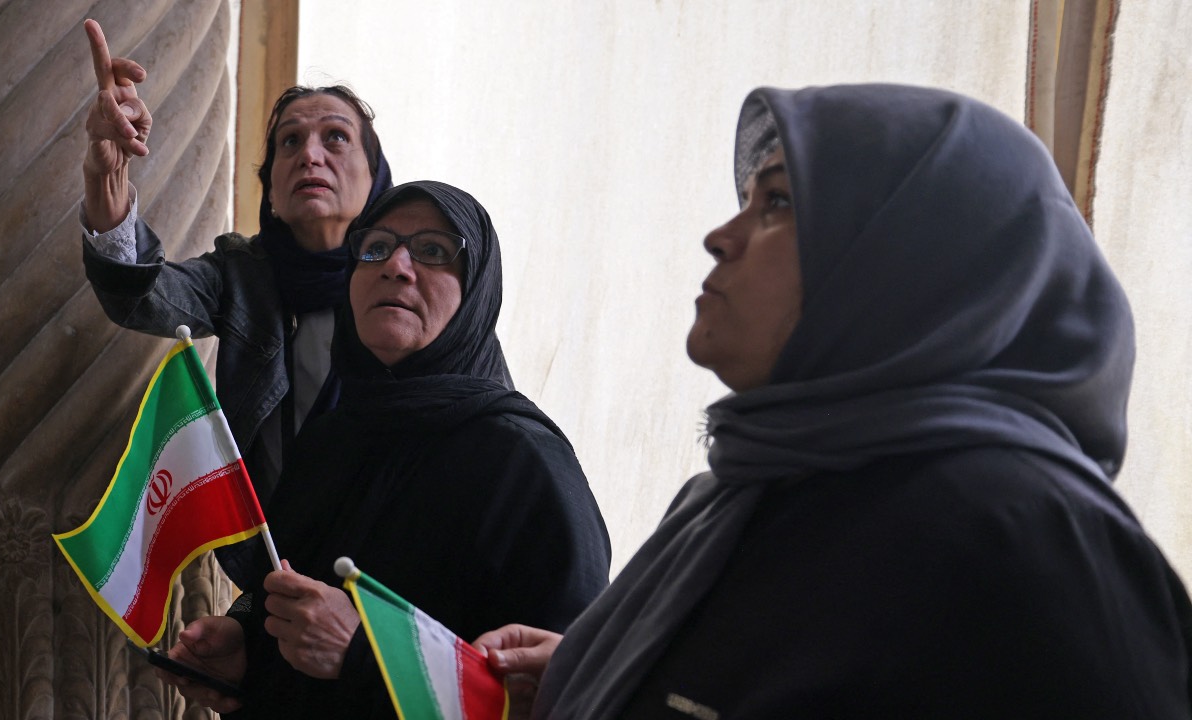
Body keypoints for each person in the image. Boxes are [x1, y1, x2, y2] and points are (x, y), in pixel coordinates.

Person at [476, 84, 1192, 718]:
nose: (719, 237)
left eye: (778, 203)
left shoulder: (1027, 540)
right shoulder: (736, 495)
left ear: (908, 266)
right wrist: (606, 673)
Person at [154, 180, 612, 717]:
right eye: (374, 248)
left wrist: (362, 658)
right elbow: (290, 595)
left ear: (477, 292)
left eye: (434, 251)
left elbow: (570, 694)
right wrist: (249, 655)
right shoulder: (332, 439)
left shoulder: (524, 464)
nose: (395, 266)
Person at [78, 19, 392, 587]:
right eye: (289, 142)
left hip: (394, 579)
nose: (309, 156)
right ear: (270, 187)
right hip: (279, 581)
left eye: (336, 138)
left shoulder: (413, 280)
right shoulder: (244, 275)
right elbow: (140, 296)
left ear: (377, 179)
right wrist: (110, 180)